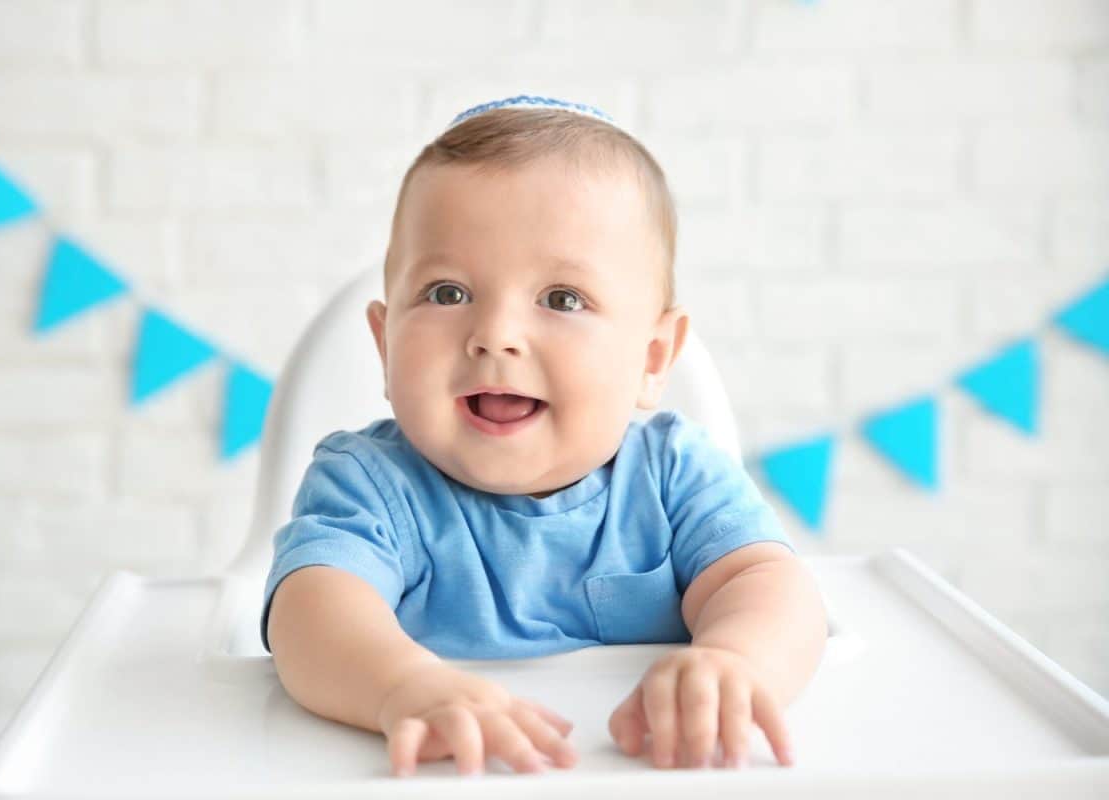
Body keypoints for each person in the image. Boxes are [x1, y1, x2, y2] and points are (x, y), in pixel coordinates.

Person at [262, 95, 828, 778]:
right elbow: (310, 614)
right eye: (446, 293)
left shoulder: (675, 473)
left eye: (562, 298)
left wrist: (735, 662)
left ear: (651, 359)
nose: (495, 334)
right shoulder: (370, 483)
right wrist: (401, 685)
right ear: (385, 346)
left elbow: (771, 585)